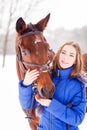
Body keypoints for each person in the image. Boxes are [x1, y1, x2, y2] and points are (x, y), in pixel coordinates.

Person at [18, 41, 86, 130]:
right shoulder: (47, 78)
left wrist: (51, 104)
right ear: (58, 54)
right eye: (63, 52)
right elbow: (27, 105)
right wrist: (25, 85)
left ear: (76, 60)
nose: (66, 57)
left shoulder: (78, 86)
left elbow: (77, 119)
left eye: (71, 55)